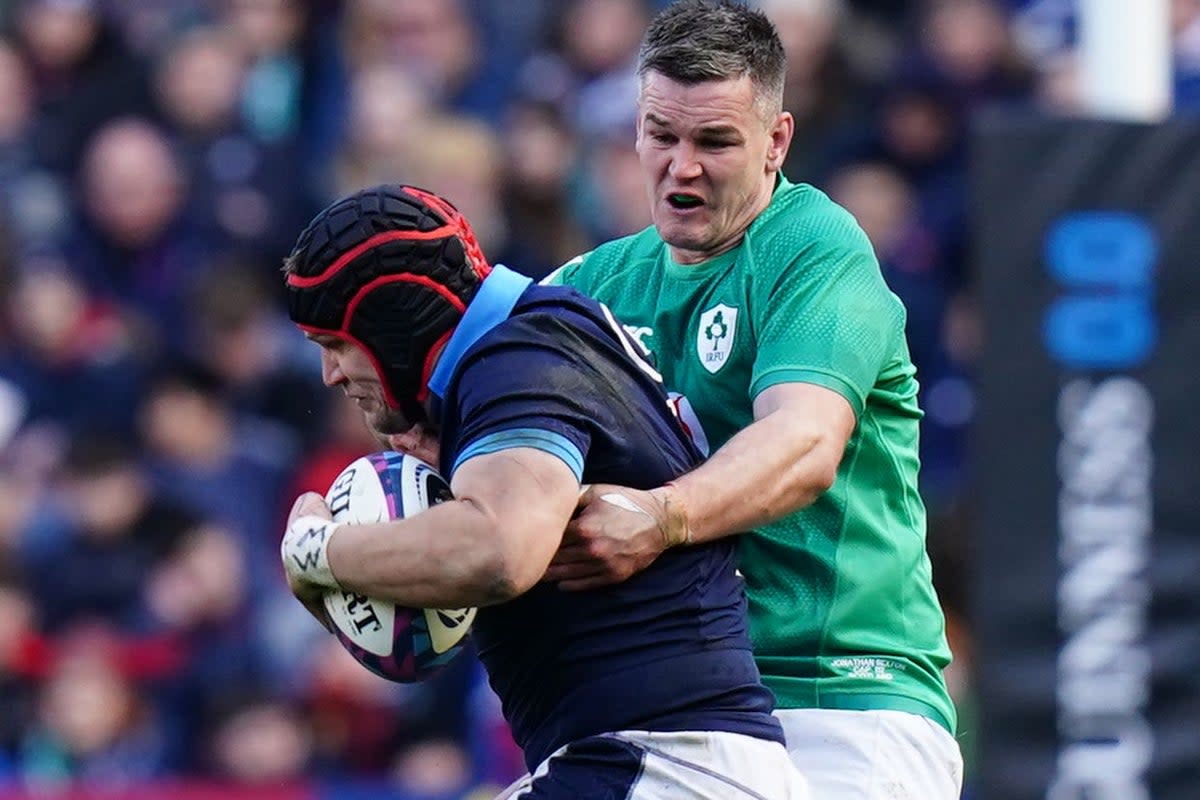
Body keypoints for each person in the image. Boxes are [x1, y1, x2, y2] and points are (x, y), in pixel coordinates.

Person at [542, 1, 964, 797]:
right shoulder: (584, 290)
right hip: (674, 705)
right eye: (661, 135)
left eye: (714, 142)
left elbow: (801, 446)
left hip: (841, 697)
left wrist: (660, 517)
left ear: (777, 141)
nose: (682, 166)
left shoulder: (815, 249)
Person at [278, 184, 809, 799]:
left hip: (660, 764)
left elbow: (500, 550)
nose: (331, 374)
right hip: (665, 762)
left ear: (393, 323)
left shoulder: (514, 359)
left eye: (337, 344)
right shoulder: (531, 349)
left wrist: (321, 552)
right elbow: (423, 647)